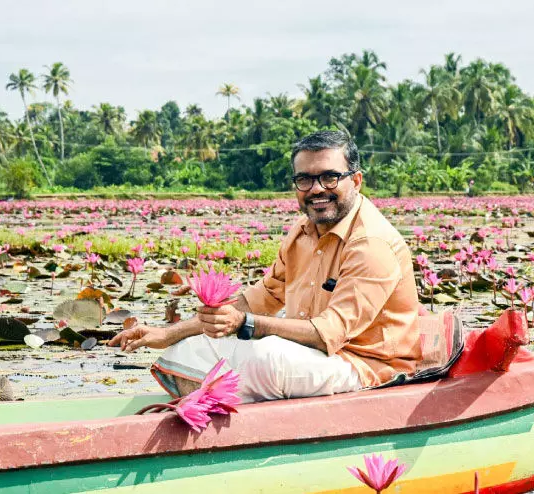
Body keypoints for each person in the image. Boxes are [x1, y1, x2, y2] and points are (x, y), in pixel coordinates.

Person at [109, 130, 421, 403]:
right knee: (185, 350)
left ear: (355, 180)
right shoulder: (302, 231)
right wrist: (169, 333)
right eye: (305, 179)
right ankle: (224, 413)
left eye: (329, 177)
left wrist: (246, 324)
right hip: (309, 354)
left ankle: (231, 418)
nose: (316, 189)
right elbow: (259, 299)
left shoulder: (371, 243)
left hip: (364, 364)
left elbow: (329, 333)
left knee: (265, 357)